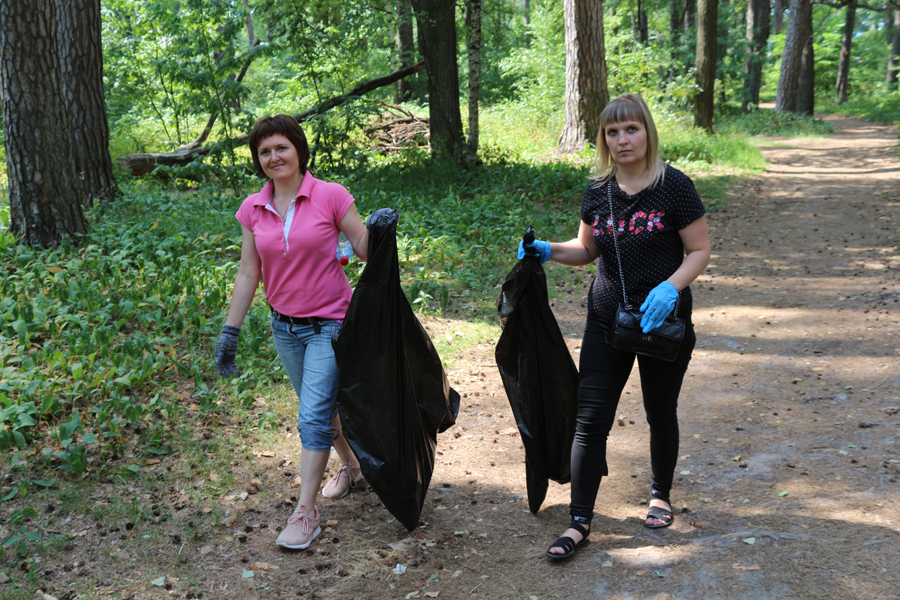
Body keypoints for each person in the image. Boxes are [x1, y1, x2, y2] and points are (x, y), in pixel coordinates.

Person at [518, 94, 711, 560]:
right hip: (607, 321)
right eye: (612, 132)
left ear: (647, 132)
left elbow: (699, 251)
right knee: (589, 422)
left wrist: (670, 288)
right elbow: (587, 251)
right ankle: (580, 521)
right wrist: (547, 249)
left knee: (660, 414)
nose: (622, 140)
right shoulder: (598, 191)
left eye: (631, 129)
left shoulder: (675, 187)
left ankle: (660, 495)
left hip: (664, 323)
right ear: (604, 139)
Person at [214, 114, 383, 550]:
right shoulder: (254, 207)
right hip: (284, 326)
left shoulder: (330, 196)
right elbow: (249, 272)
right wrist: (230, 331)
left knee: (311, 415)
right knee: (323, 410)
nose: (274, 157)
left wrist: (380, 231)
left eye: (281, 148)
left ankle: (305, 513)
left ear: (299, 150)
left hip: (331, 324)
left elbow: (363, 251)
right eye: (264, 151)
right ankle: (351, 465)